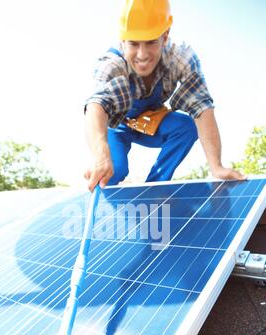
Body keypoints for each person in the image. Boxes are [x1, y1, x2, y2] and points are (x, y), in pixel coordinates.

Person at [84, 0, 245, 192]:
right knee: (113, 170)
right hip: (117, 126)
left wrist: (216, 166)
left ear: (165, 36)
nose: (142, 55)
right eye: (134, 44)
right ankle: (104, 207)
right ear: (122, 40)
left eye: (151, 42)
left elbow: (201, 108)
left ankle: (154, 189)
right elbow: (96, 106)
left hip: (149, 122)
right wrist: (100, 153)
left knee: (186, 126)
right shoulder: (111, 63)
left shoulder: (181, 58)